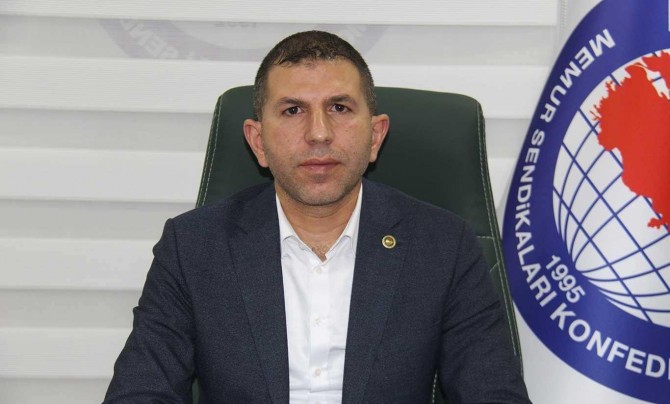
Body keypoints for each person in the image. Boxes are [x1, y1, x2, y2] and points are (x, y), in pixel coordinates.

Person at [104, 30, 530, 403]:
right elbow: (141, 393)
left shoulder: (442, 247)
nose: (319, 133)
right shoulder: (194, 248)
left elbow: (493, 393)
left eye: (339, 108)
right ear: (258, 141)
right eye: (293, 110)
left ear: (375, 135)